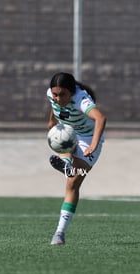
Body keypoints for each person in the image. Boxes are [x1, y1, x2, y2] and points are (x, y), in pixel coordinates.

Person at [46, 72, 106, 245]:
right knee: (71, 174)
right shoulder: (51, 94)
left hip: (88, 138)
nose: (57, 98)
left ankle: (60, 232)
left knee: (73, 181)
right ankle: (59, 234)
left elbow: (100, 118)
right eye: (55, 94)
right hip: (68, 131)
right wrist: (51, 122)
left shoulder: (81, 100)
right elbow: (53, 104)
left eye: (62, 94)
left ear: (71, 92)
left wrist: (93, 145)